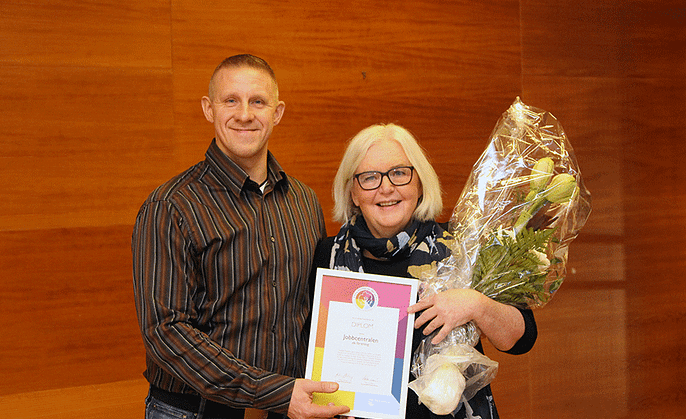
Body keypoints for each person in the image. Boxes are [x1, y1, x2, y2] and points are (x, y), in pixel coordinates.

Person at [132, 54, 351, 419]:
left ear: (277, 112)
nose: (245, 114)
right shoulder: (171, 206)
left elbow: (314, 306)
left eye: (258, 101)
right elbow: (165, 331)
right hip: (195, 412)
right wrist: (273, 392)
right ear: (208, 108)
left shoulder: (304, 201)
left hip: (290, 410)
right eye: (230, 100)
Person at [310, 123, 537, 418]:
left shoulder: (461, 247)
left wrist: (475, 304)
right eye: (369, 177)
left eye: (399, 173)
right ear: (353, 193)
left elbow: (521, 339)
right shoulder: (328, 255)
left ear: (419, 184)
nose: (386, 188)